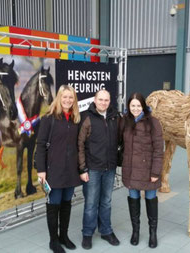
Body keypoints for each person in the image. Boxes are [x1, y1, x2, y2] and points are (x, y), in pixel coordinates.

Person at [36, 85, 82, 253]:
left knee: (66, 204)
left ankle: (64, 236)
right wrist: (41, 170)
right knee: (53, 204)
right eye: (65, 97)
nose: (68, 100)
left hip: (70, 171)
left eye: (71, 97)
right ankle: (53, 241)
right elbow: (40, 145)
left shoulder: (76, 118)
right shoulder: (49, 118)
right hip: (53, 170)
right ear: (59, 98)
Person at [119, 92, 164, 248]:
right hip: (131, 170)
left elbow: (159, 149)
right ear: (128, 107)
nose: (136, 108)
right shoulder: (124, 121)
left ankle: (153, 233)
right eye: (133, 106)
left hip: (148, 171)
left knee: (151, 200)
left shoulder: (153, 123)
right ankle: (135, 231)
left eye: (139, 106)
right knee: (133, 199)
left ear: (144, 106)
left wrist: (155, 172)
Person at [78, 89, 120, 250]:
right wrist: (82, 169)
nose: (103, 103)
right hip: (92, 169)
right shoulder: (87, 118)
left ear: (110, 101)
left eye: (106, 100)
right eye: (100, 99)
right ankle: (87, 234)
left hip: (109, 167)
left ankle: (106, 231)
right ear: (95, 100)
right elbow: (80, 144)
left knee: (106, 202)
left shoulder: (114, 117)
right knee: (90, 203)